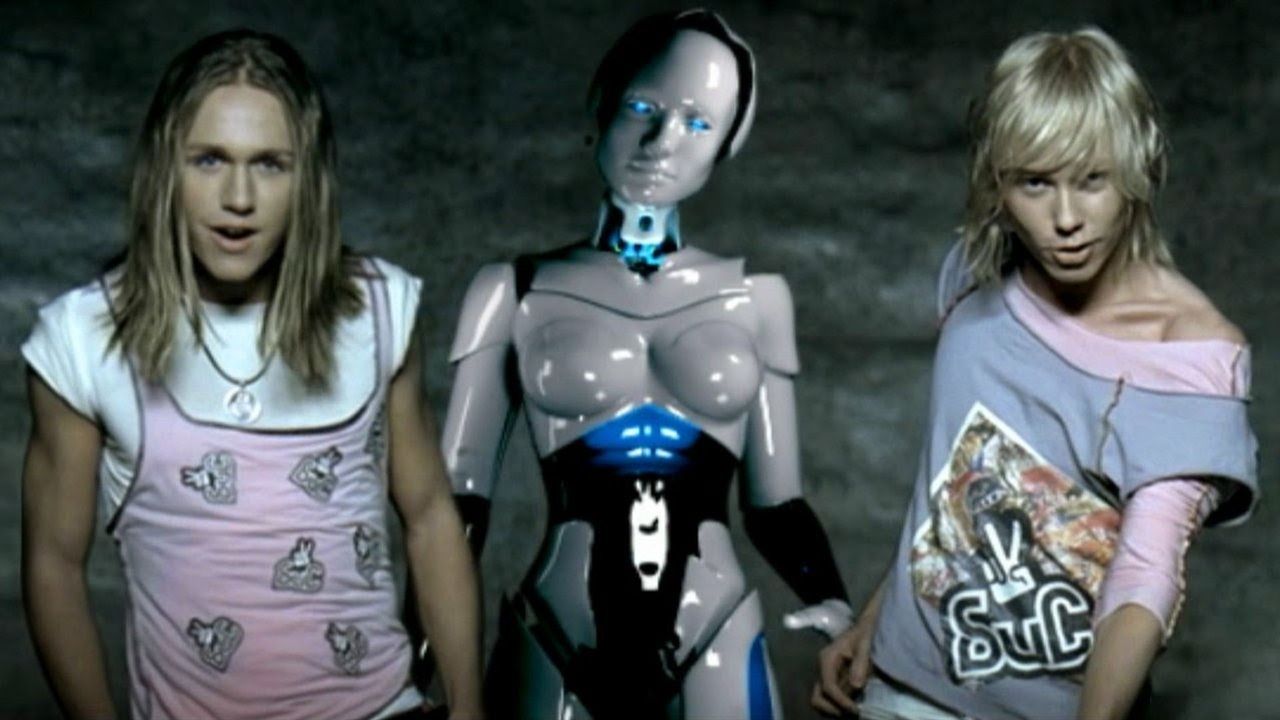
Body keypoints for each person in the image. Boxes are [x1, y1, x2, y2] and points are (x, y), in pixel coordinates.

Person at [20, 29, 482, 720]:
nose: (238, 197)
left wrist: (470, 708)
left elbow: (430, 515)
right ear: (165, 167)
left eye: (269, 164)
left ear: (307, 179)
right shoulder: (82, 340)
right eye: (209, 159)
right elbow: (53, 565)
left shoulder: (379, 309)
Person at [812, 27, 1258, 720]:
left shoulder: (1190, 357)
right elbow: (954, 480)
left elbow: (1146, 575)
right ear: (997, 181)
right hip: (897, 692)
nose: (1066, 219)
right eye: (1035, 183)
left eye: (1092, 179)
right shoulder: (974, 275)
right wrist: (877, 623)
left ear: (1137, 166)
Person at [442, 10, 852, 719]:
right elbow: (454, 506)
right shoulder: (512, 291)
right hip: (558, 633)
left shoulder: (757, 300)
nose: (663, 141)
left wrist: (836, 605)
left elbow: (776, 504)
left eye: (698, 122)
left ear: (726, 143)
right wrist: (417, 653)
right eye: (643, 107)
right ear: (599, 108)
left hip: (714, 631)